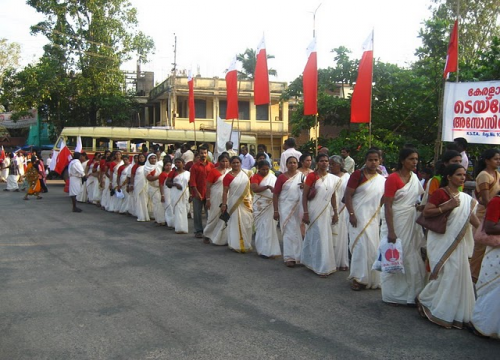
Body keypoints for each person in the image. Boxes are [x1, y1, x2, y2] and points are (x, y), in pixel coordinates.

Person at [417, 164, 479, 329]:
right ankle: (429, 302)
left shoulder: (465, 198)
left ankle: (448, 310)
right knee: (447, 272)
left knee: (456, 274)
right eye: (458, 175)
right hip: (441, 239)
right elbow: (427, 212)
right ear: (449, 176)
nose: (462, 178)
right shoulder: (440, 193)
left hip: (456, 243)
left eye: (464, 175)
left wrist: (481, 231)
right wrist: (447, 206)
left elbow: (469, 216)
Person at [380, 148, 426, 306]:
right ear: (402, 160)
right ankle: (393, 294)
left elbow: (415, 200)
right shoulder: (393, 178)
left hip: (410, 220)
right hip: (396, 221)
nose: (415, 162)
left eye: (416, 159)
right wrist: (391, 231)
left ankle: (412, 293)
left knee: (411, 254)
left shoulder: (414, 178)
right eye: (411, 159)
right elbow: (388, 205)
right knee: (397, 255)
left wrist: (419, 208)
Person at [345, 149, 386, 291]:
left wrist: (377, 213)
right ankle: (358, 277)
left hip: (373, 218)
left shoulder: (381, 179)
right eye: (370, 160)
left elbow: (382, 199)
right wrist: (351, 214)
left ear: (380, 161)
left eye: (376, 160)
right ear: (365, 161)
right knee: (359, 247)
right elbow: (348, 196)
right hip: (357, 216)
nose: (373, 162)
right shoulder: (358, 175)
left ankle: (372, 277)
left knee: (373, 248)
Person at [301, 153, 340, 277]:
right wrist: (305, 213)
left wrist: (335, 212)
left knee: (325, 237)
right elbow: (304, 196)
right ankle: (316, 264)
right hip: (314, 211)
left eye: (326, 161)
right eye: (322, 161)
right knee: (316, 237)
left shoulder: (332, 178)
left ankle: (324, 264)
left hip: (326, 211)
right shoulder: (312, 176)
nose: (324, 163)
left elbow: (333, 196)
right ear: (317, 163)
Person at [471, 193, 500, 338]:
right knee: (491, 289)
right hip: (496, 253)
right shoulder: (496, 201)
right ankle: (482, 325)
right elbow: (489, 227)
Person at [470, 148, 500, 283]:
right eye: (495, 159)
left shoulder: (497, 174)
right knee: (481, 247)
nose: (498, 161)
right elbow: (487, 200)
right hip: (486, 214)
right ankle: (473, 276)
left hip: (495, 213)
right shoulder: (484, 175)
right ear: (487, 161)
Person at [273, 156, 303, 267]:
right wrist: (275, 210)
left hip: (298, 208)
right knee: (288, 232)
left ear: (297, 164)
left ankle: (299, 256)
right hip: (285, 207)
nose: (292, 164)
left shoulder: (301, 176)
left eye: (294, 162)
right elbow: (275, 194)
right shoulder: (281, 177)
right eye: (290, 163)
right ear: (286, 164)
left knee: (297, 232)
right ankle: (289, 257)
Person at [221, 156, 253, 252]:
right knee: (235, 223)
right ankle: (236, 244)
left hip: (247, 201)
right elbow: (225, 191)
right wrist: (224, 204)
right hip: (234, 201)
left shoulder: (247, 173)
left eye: (237, 162)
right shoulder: (228, 176)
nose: (236, 164)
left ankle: (246, 244)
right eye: (234, 163)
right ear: (230, 164)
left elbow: (252, 187)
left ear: (240, 163)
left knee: (247, 223)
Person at [251, 160, 280, 258]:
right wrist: (267, 187)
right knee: (261, 227)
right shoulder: (255, 177)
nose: (265, 171)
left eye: (267, 169)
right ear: (258, 169)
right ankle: (262, 250)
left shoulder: (272, 177)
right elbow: (254, 189)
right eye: (263, 169)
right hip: (260, 204)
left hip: (271, 205)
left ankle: (271, 250)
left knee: (270, 227)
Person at [329, 155, 350, 271]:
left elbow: (349, 193)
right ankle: (330, 261)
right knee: (330, 235)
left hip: (343, 209)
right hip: (329, 209)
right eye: (330, 164)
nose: (330, 166)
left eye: (333, 164)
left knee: (341, 235)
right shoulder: (328, 177)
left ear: (340, 165)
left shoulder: (347, 177)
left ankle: (341, 261)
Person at [189, 145, 215, 239]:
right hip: (197, 193)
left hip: (208, 194)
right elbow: (192, 182)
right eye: (201, 153)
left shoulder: (211, 166)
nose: (203, 155)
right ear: (198, 154)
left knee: (209, 213)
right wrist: (197, 193)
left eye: (205, 153)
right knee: (197, 213)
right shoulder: (194, 167)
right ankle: (198, 230)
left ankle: (209, 230)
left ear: (207, 153)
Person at [204, 154, 230, 245]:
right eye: (223, 161)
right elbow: (208, 186)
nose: (225, 163)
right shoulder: (213, 172)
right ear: (219, 161)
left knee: (224, 217)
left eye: (226, 161)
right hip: (215, 196)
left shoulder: (230, 172)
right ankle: (207, 234)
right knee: (213, 216)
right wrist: (208, 199)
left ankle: (220, 238)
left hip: (226, 196)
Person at [167, 158, 191, 234]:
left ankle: (184, 227)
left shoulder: (187, 173)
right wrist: (175, 184)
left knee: (185, 209)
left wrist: (191, 194)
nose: (177, 164)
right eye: (176, 162)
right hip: (175, 193)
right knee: (178, 209)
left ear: (183, 163)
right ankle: (178, 228)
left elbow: (190, 184)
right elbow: (167, 183)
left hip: (185, 193)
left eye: (179, 162)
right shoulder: (172, 173)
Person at [145, 153, 165, 225]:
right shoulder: (147, 168)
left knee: (163, 204)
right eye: (151, 158)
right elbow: (150, 178)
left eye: (154, 158)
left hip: (162, 187)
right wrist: (160, 176)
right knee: (157, 204)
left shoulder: (159, 165)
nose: (153, 160)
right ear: (148, 159)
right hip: (154, 188)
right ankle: (159, 220)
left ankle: (164, 219)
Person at [133, 153, 150, 222]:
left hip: (146, 185)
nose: (141, 159)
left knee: (146, 200)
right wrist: (131, 185)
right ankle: (141, 215)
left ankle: (146, 215)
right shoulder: (135, 166)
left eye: (143, 157)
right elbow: (132, 176)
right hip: (138, 185)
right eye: (140, 157)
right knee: (139, 200)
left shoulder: (148, 166)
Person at [159, 158, 174, 228]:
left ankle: (172, 221)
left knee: (172, 206)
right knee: (168, 206)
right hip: (166, 191)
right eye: (167, 165)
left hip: (172, 191)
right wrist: (162, 194)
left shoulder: (172, 173)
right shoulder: (162, 174)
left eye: (170, 165)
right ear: (164, 166)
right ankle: (169, 222)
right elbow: (161, 184)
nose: (168, 167)